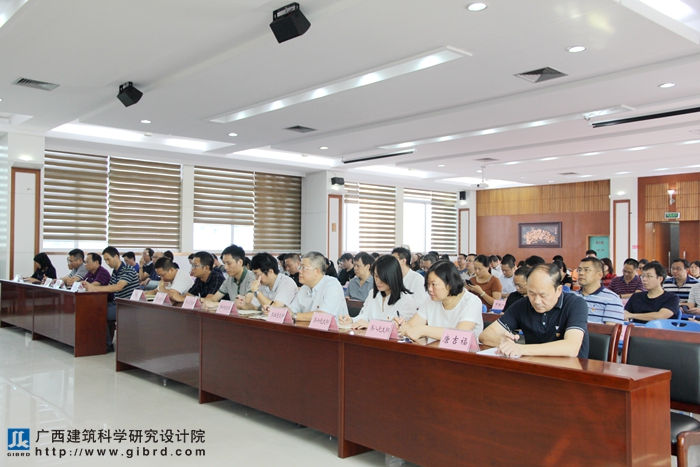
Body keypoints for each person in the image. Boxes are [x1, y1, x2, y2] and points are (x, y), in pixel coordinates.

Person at [479, 264, 589, 358]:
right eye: (531, 293)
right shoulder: (522, 305)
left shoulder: (575, 304)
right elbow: (485, 335)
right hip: (534, 367)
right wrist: (504, 342)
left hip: (570, 370)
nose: (536, 301)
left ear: (559, 290)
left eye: (543, 295)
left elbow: (571, 348)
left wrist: (521, 349)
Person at [397, 261, 483, 343]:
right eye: (428, 284)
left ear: (450, 283)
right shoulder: (431, 300)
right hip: (434, 350)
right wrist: (401, 326)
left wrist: (424, 330)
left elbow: (460, 334)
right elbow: (412, 324)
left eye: (434, 284)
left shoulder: (472, 302)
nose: (429, 289)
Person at [84, 246, 140, 352]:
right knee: (93, 309)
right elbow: (110, 287)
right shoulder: (115, 271)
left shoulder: (128, 269)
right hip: (117, 303)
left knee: (99, 312)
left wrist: (94, 288)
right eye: (105, 260)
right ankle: (99, 342)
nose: (107, 262)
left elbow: (118, 287)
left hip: (128, 304)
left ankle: (107, 344)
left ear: (116, 257)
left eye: (108, 259)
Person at [340, 255, 417, 329]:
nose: (378, 281)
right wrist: (351, 320)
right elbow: (364, 316)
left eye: (382, 278)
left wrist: (371, 325)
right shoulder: (373, 293)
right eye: (376, 276)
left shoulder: (406, 300)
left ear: (393, 277)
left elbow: (401, 328)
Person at [287, 251, 349, 321]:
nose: (300, 271)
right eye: (300, 267)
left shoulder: (332, 285)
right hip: (308, 326)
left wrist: (294, 315)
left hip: (334, 327)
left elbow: (323, 315)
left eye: (304, 268)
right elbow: (291, 309)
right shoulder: (305, 287)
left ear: (317, 271)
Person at [573, 257, 624, 324]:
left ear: (599, 275)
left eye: (586, 270)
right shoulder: (571, 296)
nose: (581, 273)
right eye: (579, 270)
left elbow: (611, 329)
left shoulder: (612, 299)